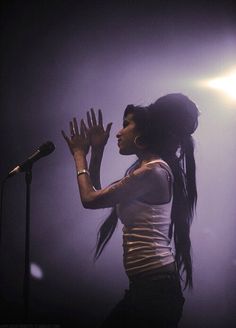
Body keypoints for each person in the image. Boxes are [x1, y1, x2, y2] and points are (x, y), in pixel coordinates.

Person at [62, 93, 199, 327]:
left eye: (126, 124)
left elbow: (89, 199)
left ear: (142, 133)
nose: (118, 132)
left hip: (155, 294)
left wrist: (78, 155)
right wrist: (97, 150)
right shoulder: (147, 170)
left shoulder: (152, 172)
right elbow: (99, 193)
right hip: (146, 290)